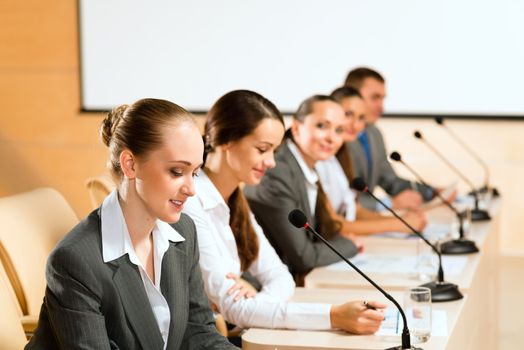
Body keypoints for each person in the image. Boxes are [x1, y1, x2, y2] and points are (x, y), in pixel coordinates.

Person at [26, 99, 236, 349]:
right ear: (130, 164)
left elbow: (198, 333)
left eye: (195, 173)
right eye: (177, 172)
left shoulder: (184, 232)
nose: (191, 189)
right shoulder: (75, 260)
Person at [183, 90, 385, 335]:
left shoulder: (235, 201)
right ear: (227, 141)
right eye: (262, 149)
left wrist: (254, 304)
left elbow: (280, 277)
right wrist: (333, 316)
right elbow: (233, 308)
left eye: (273, 151)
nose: (271, 162)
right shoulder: (190, 203)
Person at [244, 95, 360, 278]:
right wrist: (350, 244)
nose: (331, 138)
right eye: (322, 126)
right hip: (262, 286)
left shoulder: (307, 166)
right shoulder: (276, 173)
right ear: (297, 128)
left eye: (339, 130)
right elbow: (303, 256)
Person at [315, 86, 427, 236]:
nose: (355, 125)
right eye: (348, 114)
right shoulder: (321, 158)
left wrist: (402, 222)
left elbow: (354, 210)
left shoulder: (338, 158)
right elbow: (333, 224)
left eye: (361, 118)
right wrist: (398, 224)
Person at [344, 67, 435, 211]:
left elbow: (390, 181)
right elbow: (342, 200)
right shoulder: (336, 139)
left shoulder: (374, 133)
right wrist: (387, 204)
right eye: (375, 98)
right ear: (352, 96)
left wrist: (432, 192)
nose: (381, 107)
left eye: (383, 98)